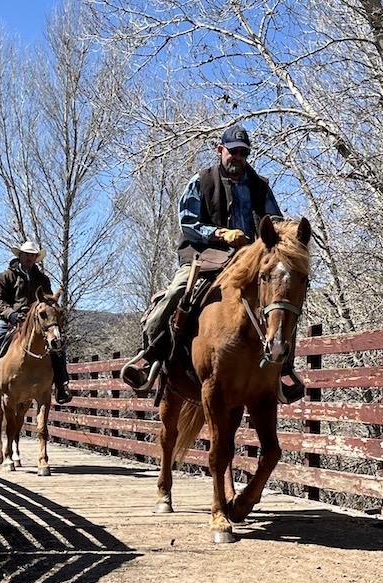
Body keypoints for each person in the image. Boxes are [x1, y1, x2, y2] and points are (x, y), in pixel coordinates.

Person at [121, 124, 305, 402]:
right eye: (233, 152)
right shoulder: (202, 181)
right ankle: (151, 358)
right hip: (206, 256)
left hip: (252, 260)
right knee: (176, 293)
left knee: (282, 298)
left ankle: (283, 366)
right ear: (221, 150)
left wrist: (283, 240)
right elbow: (188, 221)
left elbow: (275, 222)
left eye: (243, 153)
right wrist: (220, 233)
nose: (238, 157)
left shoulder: (260, 186)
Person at [0, 241, 72, 405]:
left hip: (37, 321)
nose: (30, 258)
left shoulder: (42, 279)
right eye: (27, 254)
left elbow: (46, 301)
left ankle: (61, 384)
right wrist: (11, 314)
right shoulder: (6, 276)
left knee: (57, 345)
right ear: (20, 256)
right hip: (11, 320)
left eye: (33, 255)